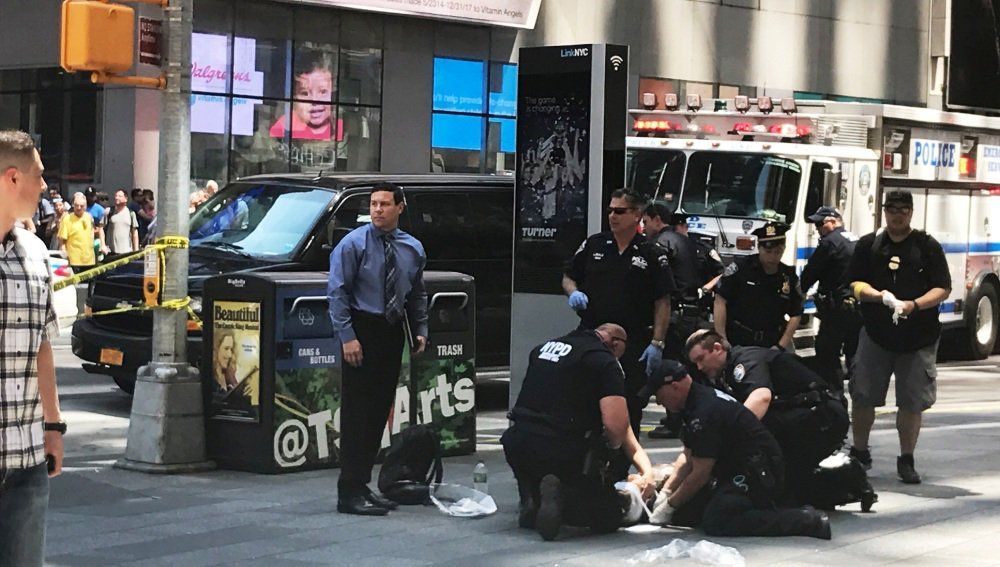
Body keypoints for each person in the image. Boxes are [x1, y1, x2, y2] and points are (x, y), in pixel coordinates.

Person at [641, 360, 831, 539]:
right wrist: (666, 493)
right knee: (688, 511)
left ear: (674, 387)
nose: (658, 402)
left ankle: (806, 520)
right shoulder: (693, 403)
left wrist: (670, 505)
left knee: (718, 520)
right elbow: (688, 455)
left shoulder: (704, 411)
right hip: (735, 469)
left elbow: (700, 473)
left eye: (658, 395)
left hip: (758, 471)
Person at [327, 182, 428, 516]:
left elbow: (416, 293)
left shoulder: (411, 248)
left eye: (385, 204)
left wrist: (420, 329)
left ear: (400, 207)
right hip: (362, 327)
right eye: (373, 204)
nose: (377, 210)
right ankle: (348, 490)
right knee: (358, 413)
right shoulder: (353, 244)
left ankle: (362, 484)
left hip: (391, 330)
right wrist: (347, 336)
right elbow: (338, 292)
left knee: (378, 412)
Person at [502, 324, 656, 541]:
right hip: (562, 449)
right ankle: (565, 499)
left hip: (518, 443)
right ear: (615, 343)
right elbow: (617, 426)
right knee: (607, 516)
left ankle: (532, 496)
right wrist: (609, 455)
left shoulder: (542, 349)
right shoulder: (604, 361)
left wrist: (646, 470)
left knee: (539, 459)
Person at [684, 329, 863, 508]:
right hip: (804, 417)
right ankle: (842, 479)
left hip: (823, 416)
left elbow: (761, 398)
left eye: (701, 359)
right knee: (792, 487)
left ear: (717, 348)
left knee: (756, 440)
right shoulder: (723, 374)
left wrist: (726, 440)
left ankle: (844, 478)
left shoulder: (745, 360)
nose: (699, 367)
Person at [844, 190, 951, 484]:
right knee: (863, 395)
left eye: (903, 209)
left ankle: (906, 459)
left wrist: (914, 305)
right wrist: (878, 297)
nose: (897, 215)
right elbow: (852, 283)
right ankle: (860, 452)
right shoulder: (869, 245)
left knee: (912, 402)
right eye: (892, 209)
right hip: (876, 334)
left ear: (911, 213)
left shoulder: (927, 247)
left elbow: (943, 287)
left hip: (918, 337)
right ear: (884, 211)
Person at [0, 130, 65, 566]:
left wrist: (54, 426)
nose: (45, 186)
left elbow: (42, 344)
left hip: (25, 458)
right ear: (12, 178)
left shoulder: (36, 254)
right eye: (38, 176)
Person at [563, 189, 675, 438]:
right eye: (610, 210)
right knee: (585, 396)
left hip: (631, 341)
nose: (613, 216)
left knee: (628, 403)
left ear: (637, 215)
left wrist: (657, 342)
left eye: (620, 211)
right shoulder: (595, 244)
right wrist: (573, 293)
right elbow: (569, 276)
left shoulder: (651, 253)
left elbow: (663, 301)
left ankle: (623, 465)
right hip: (592, 335)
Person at [714, 221, 803, 350]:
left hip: (772, 341)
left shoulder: (788, 276)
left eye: (778, 251)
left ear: (784, 248)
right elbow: (720, 300)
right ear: (759, 248)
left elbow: (796, 313)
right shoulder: (741, 269)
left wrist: (781, 345)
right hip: (738, 340)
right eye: (768, 251)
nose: (773, 256)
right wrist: (722, 338)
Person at [800, 206, 861, 391]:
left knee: (827, 352)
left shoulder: (830, 243)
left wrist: (799, 292)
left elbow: (810, 273)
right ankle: (860, 394)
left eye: (820, 223)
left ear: (833, 222)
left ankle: (835, 396)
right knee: (855, 353)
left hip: (836, 310)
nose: (817, 228)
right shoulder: (855, 240)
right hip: (857, 307)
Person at [270, 51, 335, 141]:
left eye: (323, 92)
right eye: (305, 93)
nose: (315, 101)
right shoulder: (283, 126)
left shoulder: (338, 126)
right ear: (294, 97)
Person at [58, 192, 97, 274]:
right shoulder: (67, 219)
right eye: (76, 205)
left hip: (89, 261)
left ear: (86, 206)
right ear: (73, 205)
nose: (79, 208)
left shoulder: (89, 217)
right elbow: (62, 241)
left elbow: (92, 231)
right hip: (74, 262)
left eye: (82, 206)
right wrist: (64, 257)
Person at [104, 189, 140, 257]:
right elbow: (101, 228)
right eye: (116, 196)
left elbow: (134, 232)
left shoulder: (131, 213)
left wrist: (136, 250)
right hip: (111, 252)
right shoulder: (108, 211)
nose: (116, 198)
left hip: (126, 252)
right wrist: (103, 245)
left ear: (126, 199)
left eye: (120, 196)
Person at [211, 331, 238, 396]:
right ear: (216, 349)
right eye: (226, 348)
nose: (230, 355)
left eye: (231, 349)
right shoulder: (209, 376)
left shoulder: (230, 374)